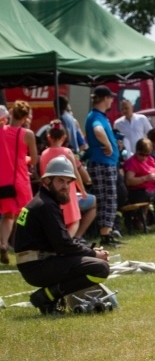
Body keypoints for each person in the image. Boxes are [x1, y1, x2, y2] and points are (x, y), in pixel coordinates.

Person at [14, 156, 110, 314]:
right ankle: (45, 297)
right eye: (60, 181)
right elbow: (63, 244)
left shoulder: (43, 202)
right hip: (38, 267)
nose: (65, 186)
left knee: (93, 262)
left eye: (68, 182)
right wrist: (93, 254)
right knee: (100, 269)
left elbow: (60, 242)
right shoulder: (46, 206)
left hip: (36, 264)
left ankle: (49, 298)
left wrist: (90, 252)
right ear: (47, 181)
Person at [39, 120, 93, 238]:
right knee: (74, 220)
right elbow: (75, 174)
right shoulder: (67, 152)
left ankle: (62, 242)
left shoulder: (44, 154)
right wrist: (82, 190)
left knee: (58, 220)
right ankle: (69, 242)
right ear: (64, 136)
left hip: (51, 193)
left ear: (49, 137)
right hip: (68, 192)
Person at [85, 86, 123, 246]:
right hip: (103, 163)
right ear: (104, 98)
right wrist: (108, 144)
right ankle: (105, 235)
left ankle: (106, 233)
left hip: (103, 163)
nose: (112, 100)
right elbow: (98, 130)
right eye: (110, 97)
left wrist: (113, 143)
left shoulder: (97, 115)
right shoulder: (96, 117)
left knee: (107, 199)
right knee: (108, 199)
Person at [1, 101, 38, 265]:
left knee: (8, 215)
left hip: (3, 181)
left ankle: (3, 243)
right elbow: (35, 159)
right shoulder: (27, 134)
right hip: (20, 180)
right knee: (24, 215)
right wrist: (25, 159)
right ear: (24, 117)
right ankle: (24, 247)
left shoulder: (1, 130)